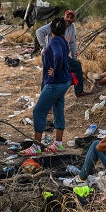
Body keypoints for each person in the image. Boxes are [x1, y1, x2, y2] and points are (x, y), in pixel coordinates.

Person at [20, 17, 72, 156]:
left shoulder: (54, 41)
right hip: (64, 81)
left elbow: (59, 56)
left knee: (38, 111)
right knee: (58, 109)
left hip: (55, 83)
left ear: (51, 29)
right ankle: (58, 143)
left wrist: (55, 70)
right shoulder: (63, 40)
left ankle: (36, 146)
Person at [36, 9, 92, 97]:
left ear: (74, 19)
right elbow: (39, 32)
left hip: (62, 55)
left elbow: (72, 43)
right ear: (64, 16)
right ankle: (45, 101)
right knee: (48, 77)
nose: (69, 19)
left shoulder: (72, 27)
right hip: (51, 55)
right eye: (67, 17)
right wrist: (45, 47)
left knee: (77, 66)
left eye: (71, 17)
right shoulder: (56, 24)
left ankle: (79, 91)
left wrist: (74, 58)